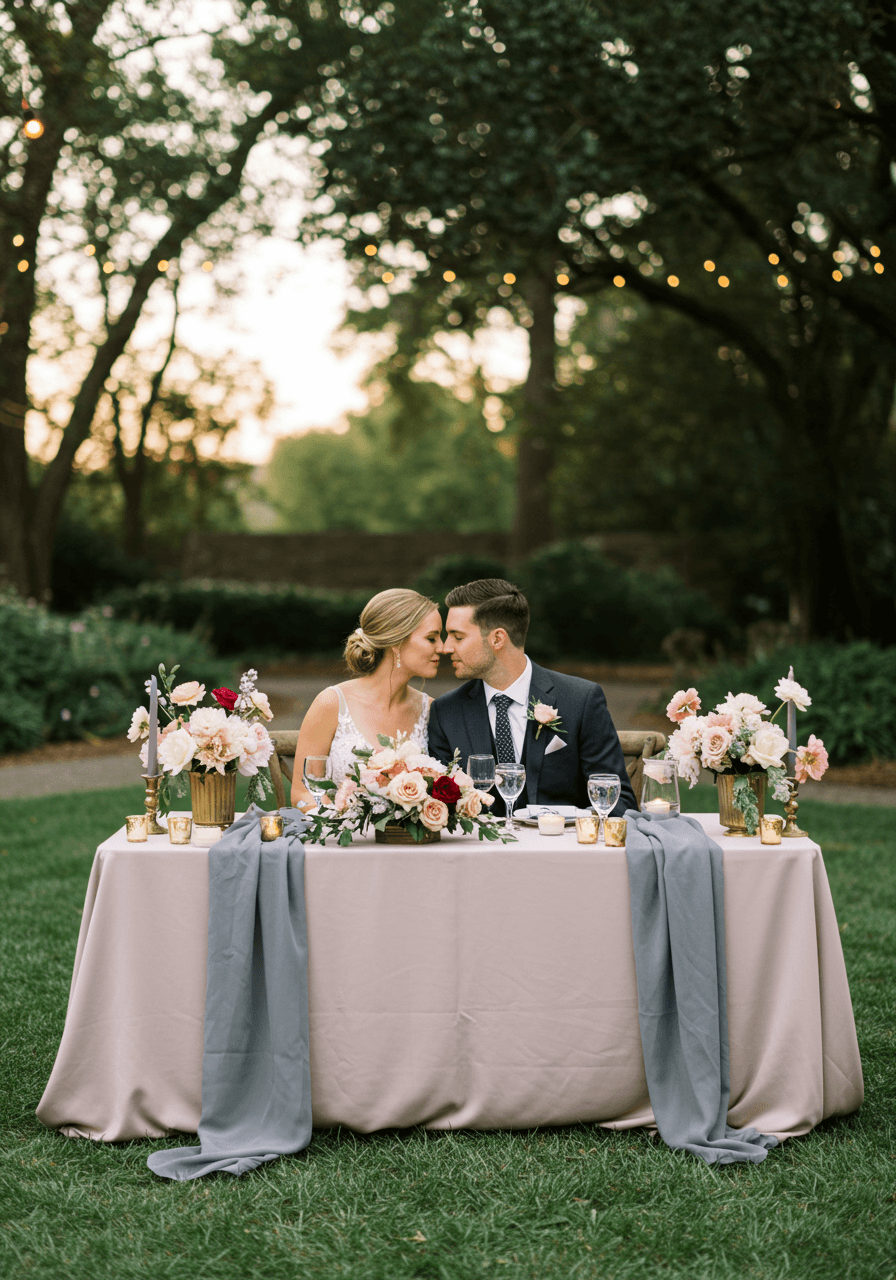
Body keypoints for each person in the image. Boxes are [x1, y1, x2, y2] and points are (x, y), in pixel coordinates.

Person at [429, 578, 637, 817]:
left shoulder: (581, 699)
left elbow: (620, 801)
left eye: (457, 636)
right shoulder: (446, 712)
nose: (445, 648)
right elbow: (440, 807)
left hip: (561, 849)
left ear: (497, 639)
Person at [291, 589, 442, 811]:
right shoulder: (331, 703)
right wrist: (338, 824)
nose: (443, 647)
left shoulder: (430, 709)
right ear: (396, 641)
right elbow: (302, 792)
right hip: (342, 840)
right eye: (432, 638)